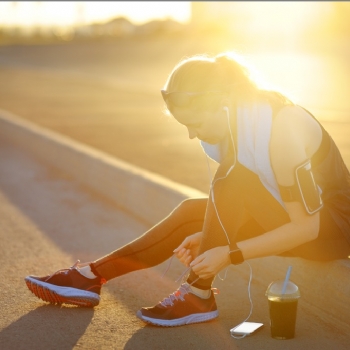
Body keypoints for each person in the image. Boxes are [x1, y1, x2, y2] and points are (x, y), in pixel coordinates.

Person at [24, 52, 350, 327]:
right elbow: (253, 204)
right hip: (304, 220)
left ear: (221, 103)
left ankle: (197, 295)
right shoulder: (243, 122)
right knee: (193, 212)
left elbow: (308, 225)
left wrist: (229, 252)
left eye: (195, 123)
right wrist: (213, 233)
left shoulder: (282, 129)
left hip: (334, 230)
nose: (193, 135)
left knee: (232, 180)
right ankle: (91, 276)